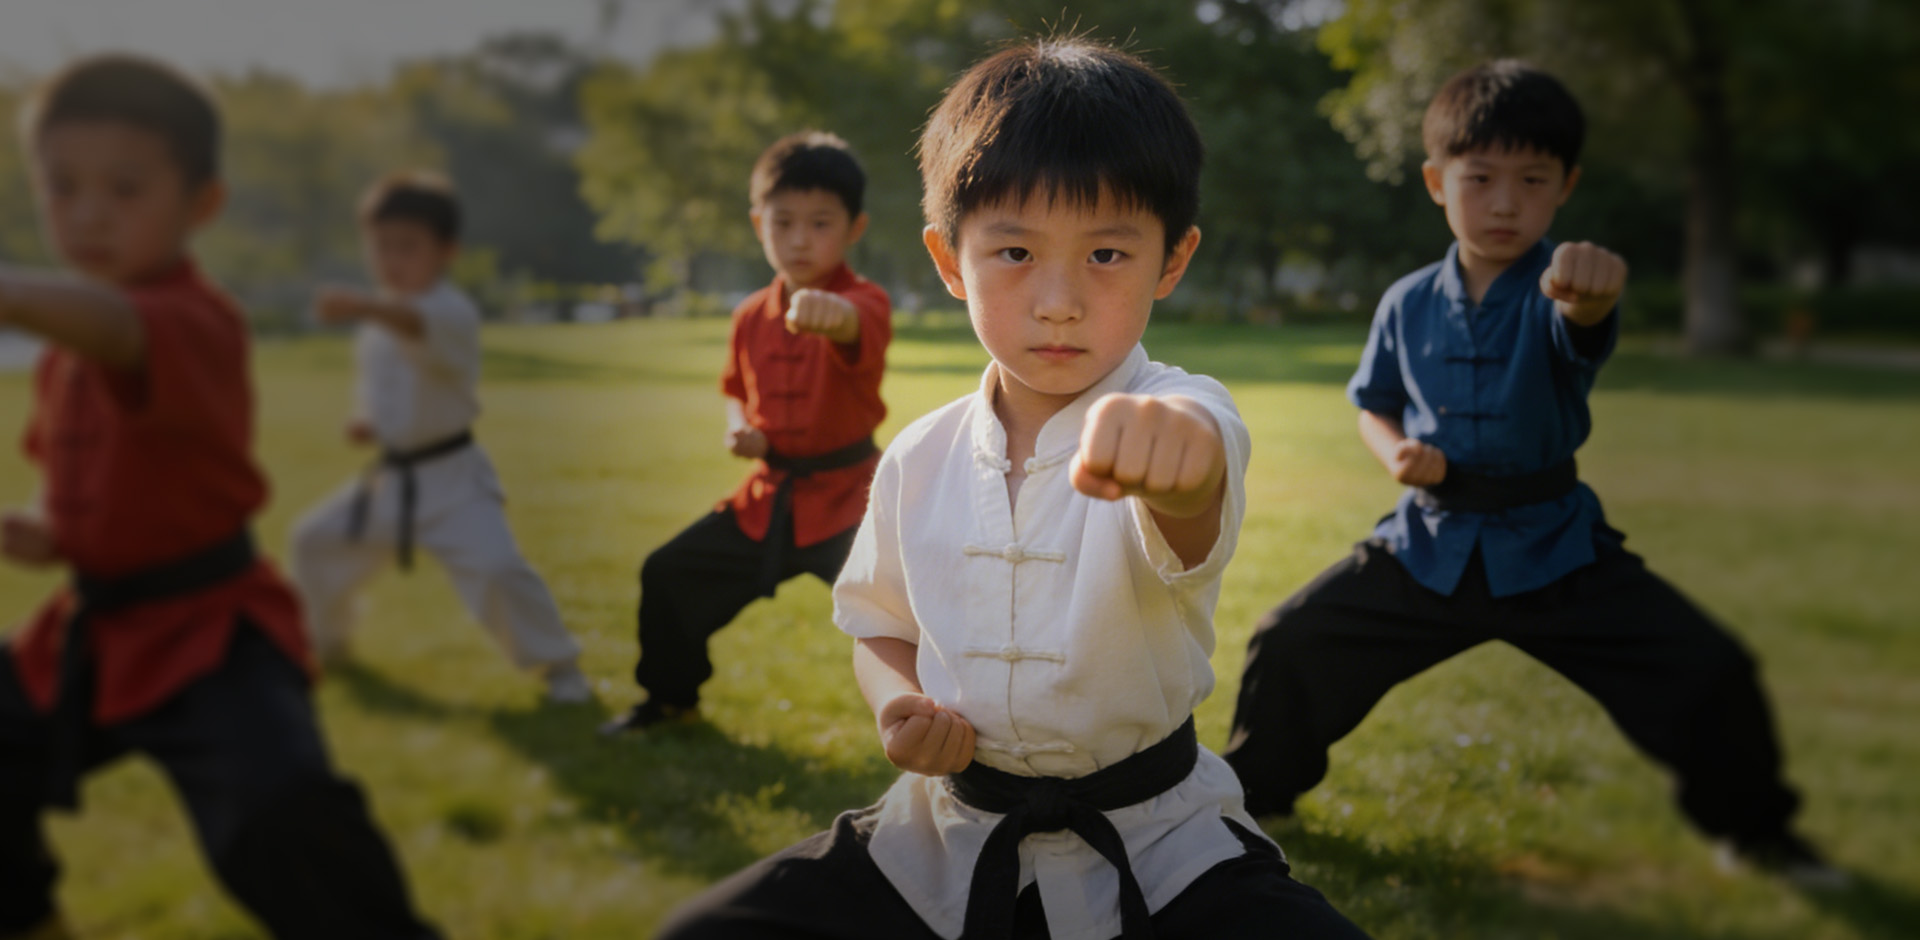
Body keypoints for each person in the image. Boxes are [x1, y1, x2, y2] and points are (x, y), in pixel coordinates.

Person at [658, 37, 1370, 939]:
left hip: (1162, 840)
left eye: (1108, 253)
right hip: (948, 830)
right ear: (951, 262)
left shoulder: (1180, 409)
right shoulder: (919, 455)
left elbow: (1196, 486)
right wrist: (897, 709)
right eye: (1016, 252)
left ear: (1173, 259)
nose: (1059, 300)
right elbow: (879, 624)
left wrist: (1178, 467)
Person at [1223, 59, 1844, 888]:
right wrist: (1397, 454)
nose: (1506, 201)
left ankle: (1758, 833)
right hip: (1431, 542)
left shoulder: (1561, 286)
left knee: (1710, 670)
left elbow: (1579, 323)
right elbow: (1373, 402)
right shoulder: (1406, 302)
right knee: (1289, 641)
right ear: (1436, 182)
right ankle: (1249, 810)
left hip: (1553, 546)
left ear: (1565, 187)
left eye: (1532, 179)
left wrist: (1590, 297)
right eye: (1480, 178)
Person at [0, 54, 441, 939]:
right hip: (95, 630)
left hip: (209, 635)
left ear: (201, 204)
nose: (87, 214)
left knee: (279, 815)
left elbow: (123, 332)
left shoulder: (192, 317)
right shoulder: (64, 349)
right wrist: (50, 529)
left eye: (125, 189)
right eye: (62, 187)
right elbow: (79, 469)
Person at [600, 132, 892, 735]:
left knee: (919, 612)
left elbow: (856, 326)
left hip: (851, 502)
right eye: (783, 222)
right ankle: (670, 700)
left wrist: (833, 316)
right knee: (668, 573)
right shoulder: (747, 315)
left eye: (820, 223)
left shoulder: (866, 300)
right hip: (768, 497)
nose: (799, 239)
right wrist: (742, 431)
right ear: (758, 223)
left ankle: (962, 730)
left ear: (853, 228)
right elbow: (735, 389)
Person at [287, 172, 590, 703]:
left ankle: (560, 666)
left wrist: (360, 304)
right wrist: (370, 423)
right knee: (315, 541)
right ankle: (327, 638)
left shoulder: (449, 310)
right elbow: (388, 386)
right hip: (392, 480)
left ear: (446, 251)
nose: (391, 260)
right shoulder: (380, 324)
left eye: (407, 247)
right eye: (381, 247)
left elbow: (413, 325)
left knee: (497, 569)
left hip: (454, 482)